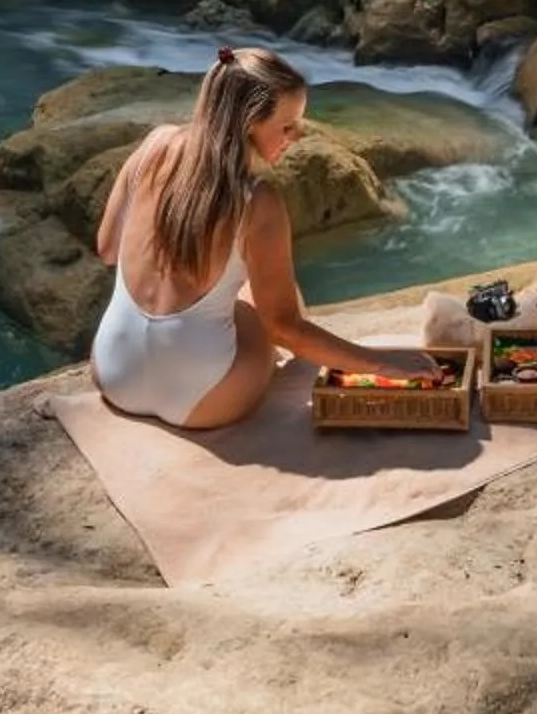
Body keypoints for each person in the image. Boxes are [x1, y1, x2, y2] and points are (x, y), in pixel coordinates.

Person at [89, 45, 439, 428]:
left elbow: (108, 250)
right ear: (249, 122)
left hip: (114, 373)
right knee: (264, 306)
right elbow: (285, 329)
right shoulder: (258, 202)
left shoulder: (153, 146)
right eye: (287, 126)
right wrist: (383, 362)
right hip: (201, 401)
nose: (297, 136)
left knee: (233, 293)